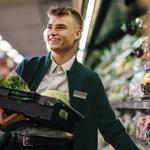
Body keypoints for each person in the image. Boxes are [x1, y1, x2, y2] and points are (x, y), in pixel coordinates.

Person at [0, 6, 138, 150]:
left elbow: (111, 127)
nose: (53, 32)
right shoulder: (27, 66)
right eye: (50, 27)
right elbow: (4, 100)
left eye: (60, 27)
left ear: (77, 34)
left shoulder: (90, 80)